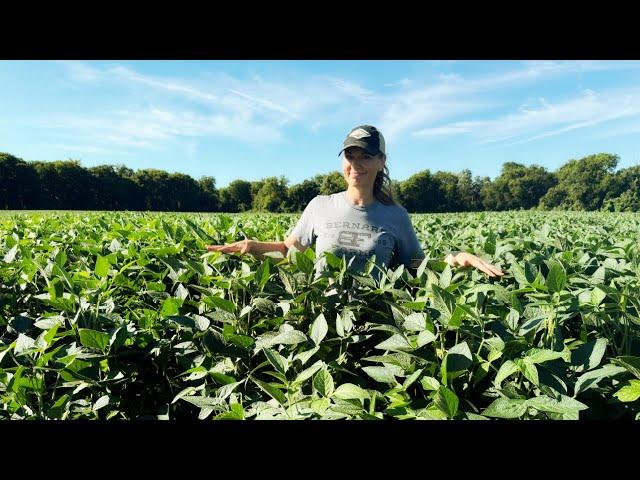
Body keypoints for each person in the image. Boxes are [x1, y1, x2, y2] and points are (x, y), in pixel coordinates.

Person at [206, 125, 504, 279]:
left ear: (381, 161)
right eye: (350, 156)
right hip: (323, 321)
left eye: (366, 156)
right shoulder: (320, 205)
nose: (356, 164)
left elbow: (417, 268)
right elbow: (288, 252)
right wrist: (251, 247)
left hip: (375, 327)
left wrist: (458, 260)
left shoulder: (395, 216)